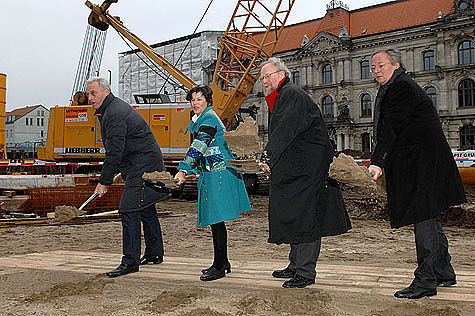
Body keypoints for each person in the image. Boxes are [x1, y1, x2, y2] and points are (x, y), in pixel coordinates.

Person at [368, 48, 467, 299]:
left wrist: (378, 161)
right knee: (428, 218)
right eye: (373, 68)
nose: (376, 71)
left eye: (381, 65)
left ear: (396, 64)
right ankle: (443, 271)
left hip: (422, 165)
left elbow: (392, 125)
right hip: (423, 163)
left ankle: (425, 281)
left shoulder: (401, 87)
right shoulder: (396, 86)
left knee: (423, 219)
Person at [259, 57, 351, 288]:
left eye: (268, 76)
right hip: (297, 169)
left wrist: (267, 156)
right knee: (295, 216)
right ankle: (295, 264)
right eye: (262, 78)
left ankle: (306, 271)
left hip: (309, 171)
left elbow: (285, 130)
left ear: (282, 74)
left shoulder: (290, 94)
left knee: (307, 218)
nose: (264, 81)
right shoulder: (282, 96)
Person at [85, 77, 170, 278]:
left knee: (128, 210)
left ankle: (130, 261)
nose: (89, 98)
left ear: (106, 92)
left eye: (93, 93)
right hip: (143, 161)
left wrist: (104, 182)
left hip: (143, 164)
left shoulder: (113, 113)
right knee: (145, 207)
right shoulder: (111, 109)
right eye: (88, 94)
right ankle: (154, 253)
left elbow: (114, 151)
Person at [174, 85, 252, 282]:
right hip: (213, 172)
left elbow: (199, 145)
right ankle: (222, 262)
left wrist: (184, 169)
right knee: (217, 222)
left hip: (218, 174)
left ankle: (219, 266)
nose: (195, 103)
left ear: (208, 101)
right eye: (192, 100)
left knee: (217, 220)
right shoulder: (202, 118)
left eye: (199, 99)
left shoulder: (208, 119)